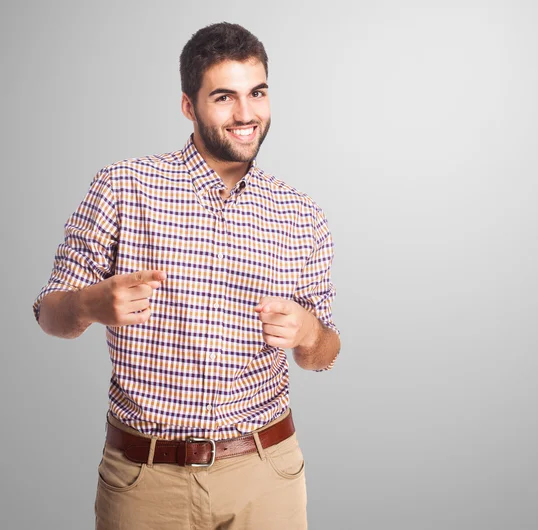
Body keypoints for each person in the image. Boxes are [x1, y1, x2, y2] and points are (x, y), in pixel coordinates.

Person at [32, 22, 340, 530]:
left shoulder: (302, 215)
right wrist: (88, 305)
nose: (246, 114)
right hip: (145, 481)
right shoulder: (123, 187)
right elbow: (48, 312)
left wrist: (309, 333)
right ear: (188, 105)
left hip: (266, 478)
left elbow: (325, 353)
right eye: (224, 97)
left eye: (257, 93)